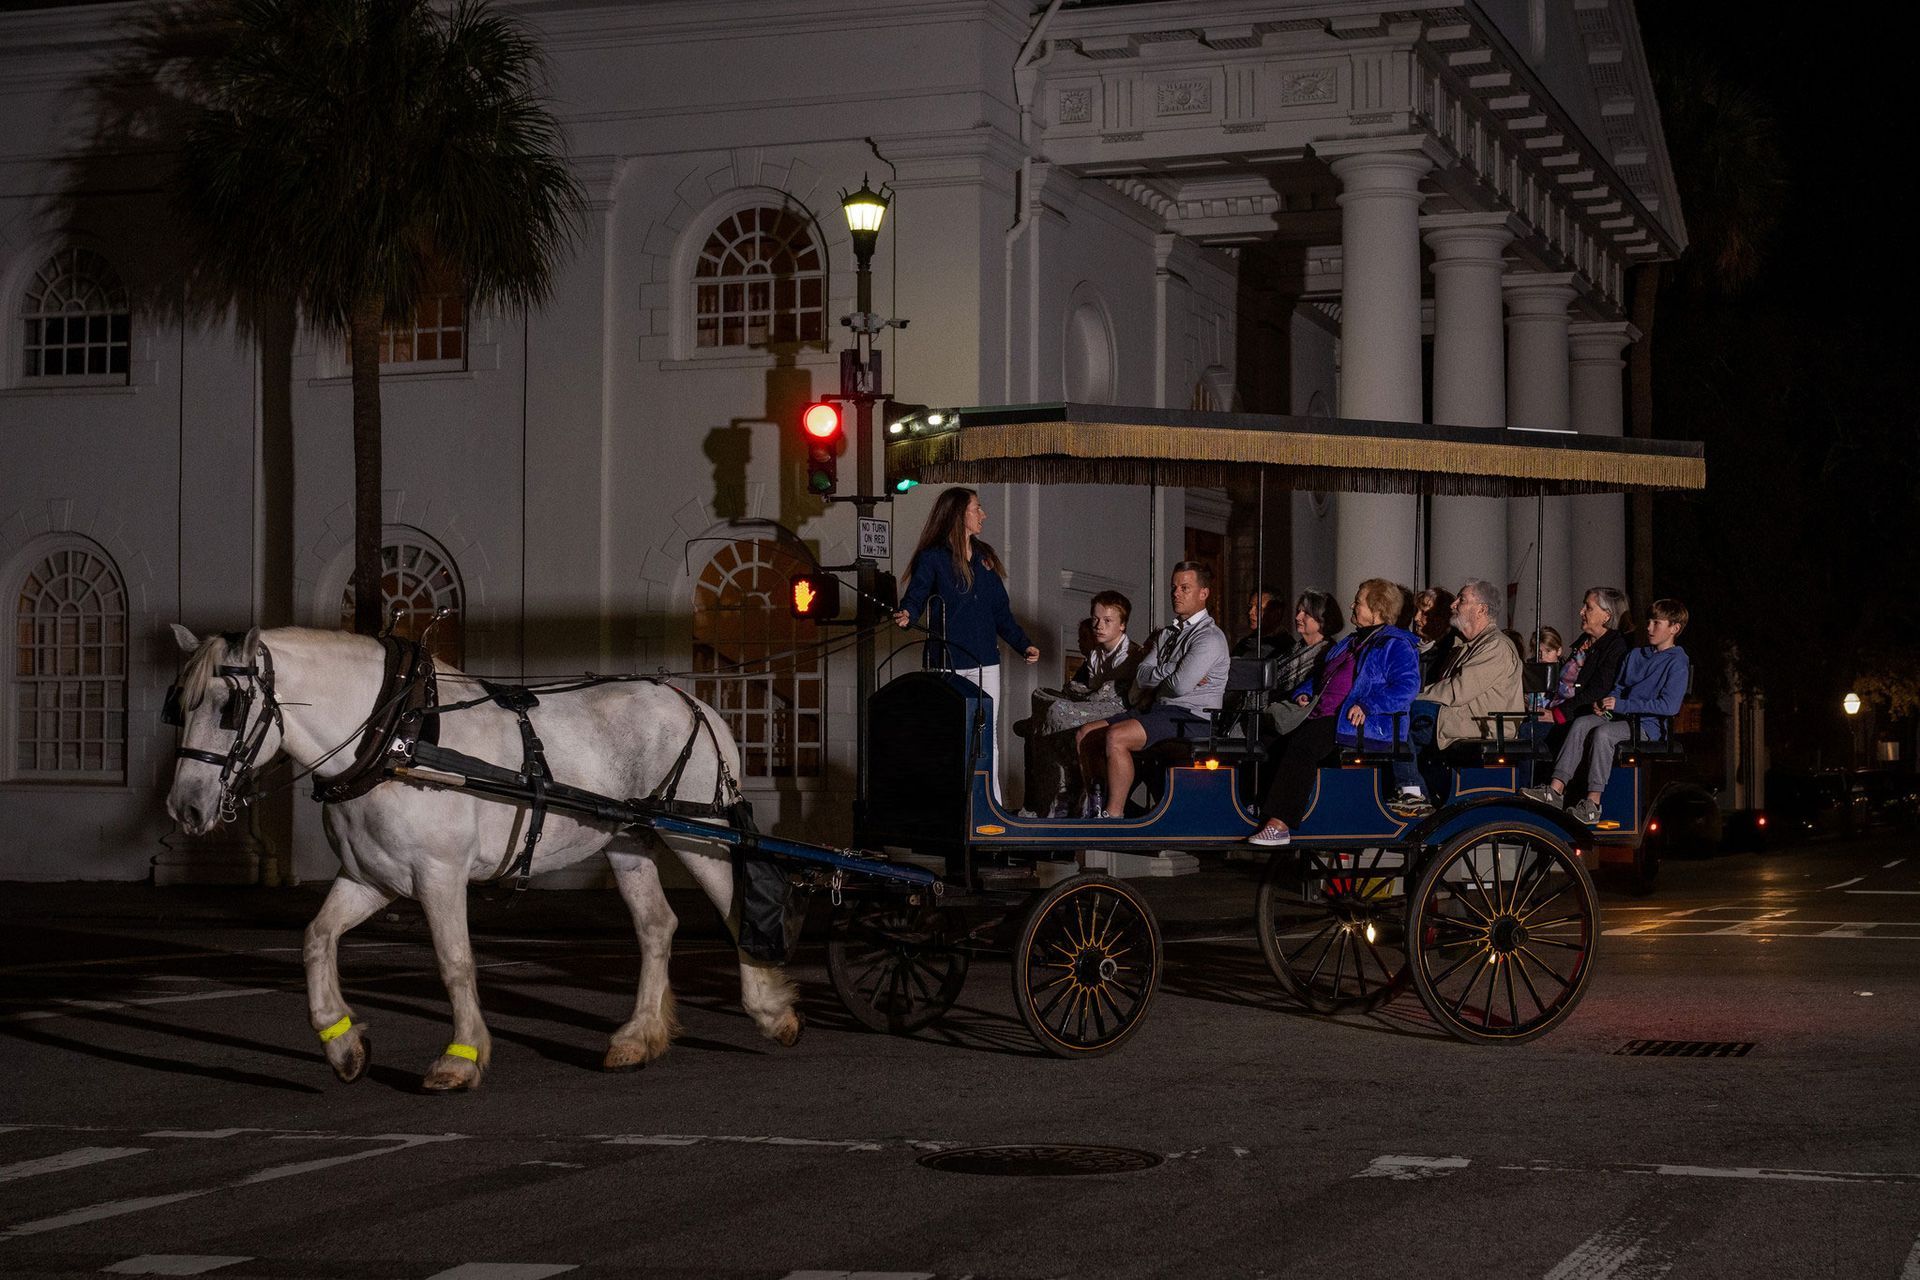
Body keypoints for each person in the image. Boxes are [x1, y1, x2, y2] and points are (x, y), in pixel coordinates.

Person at [893, 487, 1040, 800]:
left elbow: (1000, 611)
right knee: (948, 734)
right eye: (977, 508)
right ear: (960, 514)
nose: (983, 514)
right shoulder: (933, 557)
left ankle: (991, 805)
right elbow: (917, 594)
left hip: (985, 661)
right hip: (945, 662)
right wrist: (908, 613)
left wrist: (1023, 644)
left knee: (988, 736)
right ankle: (948, 802)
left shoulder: (985, 558)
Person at [1075, 562, 1230, 818]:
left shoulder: (1209, 637)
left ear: (1204, 593)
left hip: (1193, 717)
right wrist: (1174, 669)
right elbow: (1143, 675)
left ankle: (1113, 815)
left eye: (1184, 588)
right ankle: (1095, 804)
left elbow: (1179, 687)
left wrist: (1163, 674)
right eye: (1174, 588)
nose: (1176, 594)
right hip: (1159, 710)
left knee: (1117, 736)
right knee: (1085, 733)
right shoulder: (1167, 634)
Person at [1523, 598, 1691, 824]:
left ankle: (1593, 803)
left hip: (1648, 726)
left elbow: (1669, 707)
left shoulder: (1677, 661)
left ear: (1674, 628)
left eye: (1657, 623)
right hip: (1620, 717)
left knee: (1604, 734)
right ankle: (1555, 789)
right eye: (1649, 621)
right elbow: (1619, 688)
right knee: (1582, 722)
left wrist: (1620, 705)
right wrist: (1604, 706)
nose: (1649, 627)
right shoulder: (1636, 655)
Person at [1391, 578, 1524, 815]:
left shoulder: (1496, 646)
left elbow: (1457, 691)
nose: (1454, 604)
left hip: (1481, 723)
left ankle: (1412, 791)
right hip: (1460, 716)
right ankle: (1417, 786)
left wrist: (1413, 697)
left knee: (1400, 713)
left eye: (1462, 599)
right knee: (1396, 718)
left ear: (1481, 609)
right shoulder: (1468, 646)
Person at [1244, 589, 1353, 847]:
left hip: (1309, 718)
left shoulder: (1329, 652)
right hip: (1282, 712)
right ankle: (1252, 801)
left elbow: (1320, 688)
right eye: (1299, 610)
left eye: (1306, 612)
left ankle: (1277, 818)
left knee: (1288, 744)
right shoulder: (1293, 650)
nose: (1299, 616)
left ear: (1322, 619)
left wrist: (1299, 696)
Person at [1020, 591, 1143, 818]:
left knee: (1057, 711)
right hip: (1094, 704)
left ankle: (1076, 796)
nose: (1098, 626)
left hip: (1119, 711)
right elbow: (1086, 689)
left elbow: (1120, 697)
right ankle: (1055, 796)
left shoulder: (1132, 655)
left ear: (1122, 625)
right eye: (1095, 619)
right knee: (1042, 700)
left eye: (1107, 621)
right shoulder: (1095, 654)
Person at [1529, 587, 1632, 752]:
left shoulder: (1614, 648)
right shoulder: (1583, 642)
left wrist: (1558, 714)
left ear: (1607, 615)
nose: (1581, 611)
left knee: (1530, 733)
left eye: (1588, 608)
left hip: (1578, 715)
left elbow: (1596, 691)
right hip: (1557, 707)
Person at [1234, 587, 1296, 660]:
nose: (1250, 612)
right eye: (1250, 607)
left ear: (1275, 613)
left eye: (1259, 608)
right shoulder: (1244, 644)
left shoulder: (1287, 648)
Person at [1412, 586, 1458, 684]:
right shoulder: (1409, 645)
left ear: (1441, 617)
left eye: (1425, 613)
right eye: (1416, 611)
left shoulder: (1450, 653)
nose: (1416, 618)